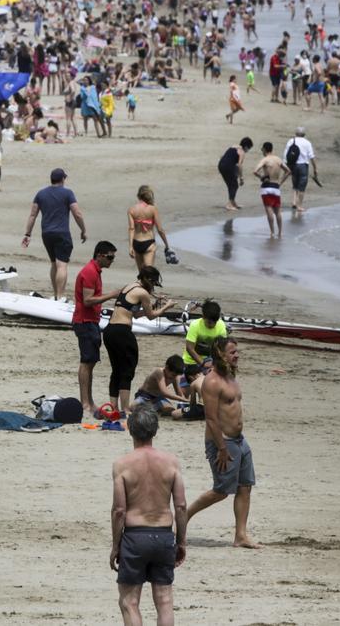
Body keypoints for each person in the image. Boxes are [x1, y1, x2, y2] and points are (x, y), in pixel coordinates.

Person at [110, 405, 187, 626]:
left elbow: (119, 511)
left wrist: (116, 545)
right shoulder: (171, 462)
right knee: (164, 600)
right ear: (155, 431)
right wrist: (180, 541)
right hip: (163, 535)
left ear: (130, 430)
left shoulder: (122, 465)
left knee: (129, 601)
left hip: (135, 536)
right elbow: (180, 506)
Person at [186, 338, 261, 548]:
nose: (236, 355)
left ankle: (241, 535)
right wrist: (220, 448)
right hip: (223, 443)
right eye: (232, 352)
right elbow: (211, 418)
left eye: (237, 351)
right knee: (220, 491)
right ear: (220, 354)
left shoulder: (231, 377)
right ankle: (185, 515)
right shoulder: (212, 382)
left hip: (240, 441)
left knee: (245, 487)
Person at [104, 267, 176, 413]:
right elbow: (151, 316)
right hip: (122, 332)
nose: (153, 287)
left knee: (116, 370)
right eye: (153, 283)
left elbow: (135, 314)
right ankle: (125, 409)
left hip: (109, 330)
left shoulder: (129, 287)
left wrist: (154, 305)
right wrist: (167, 306)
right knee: (128, 370)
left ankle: (114, 408)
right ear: (148, 280)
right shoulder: (143, 293)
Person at [22, 168, 87, 301]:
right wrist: (83, 230)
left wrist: (27, 234)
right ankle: (60, 296)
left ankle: (56, 294)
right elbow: (77, 213)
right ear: (62, 179)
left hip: (46, 233)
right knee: (61, 264)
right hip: (62, 233)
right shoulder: (68, 193)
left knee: (54, 263)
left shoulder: (41, 194)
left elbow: (33, 215)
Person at [73, 242, 121, 417]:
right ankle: (85, 402)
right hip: (84, 321)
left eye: (113, 257)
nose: (111, 260)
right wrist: (112, 294)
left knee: (91, 362)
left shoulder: (95, 271)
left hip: (91, 321)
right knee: (87, 362)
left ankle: (88, 401)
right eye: (110, 257)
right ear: (99, 255)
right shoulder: (90, 272)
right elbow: (87, 300)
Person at [127, 186, 171, 271]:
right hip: (149, 243)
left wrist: (130, 247)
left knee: (141, 274)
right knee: (149, 272)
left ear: (138, 195)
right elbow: (160, 229)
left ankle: (141, 284)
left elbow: (131, 229)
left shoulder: (131, 210)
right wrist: (166, 245)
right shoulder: (153, 209)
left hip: (136, 243)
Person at [182, 300, 226, 378]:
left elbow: (222, 349)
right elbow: (189, 348)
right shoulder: (195, 325)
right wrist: (202, 363)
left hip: (209, 360)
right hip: (190, 361)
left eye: (214, 322)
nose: (212, 325)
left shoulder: (221, 326)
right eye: (209, 322)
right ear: (203, 316)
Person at [252, 141, 287, 238]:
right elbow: (288, 171)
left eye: (262, 149)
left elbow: (255, 171)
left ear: (264, 149)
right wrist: (280, 182)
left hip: (266, 187)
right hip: (276, 187)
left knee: (269, 210)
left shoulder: (265, 160)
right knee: (278, 211)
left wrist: (261, 177)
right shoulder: (278, 160)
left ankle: (272, 232)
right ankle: (280, 232)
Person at [283, 127, 320, 213]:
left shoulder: (291, 141)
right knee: (302, 186)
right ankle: (299, 205)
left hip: (293, 165)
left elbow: (286, 153)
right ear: (304, 134)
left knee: (295, 184)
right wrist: (315, 168)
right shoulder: (307, 143)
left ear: (296, 133)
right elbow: (311, 156)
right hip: (303, 165)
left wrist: (285, 164)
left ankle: (294, 202)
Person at [217, 137, 253, 211]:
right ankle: (229, 204)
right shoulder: (242, 152)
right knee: (234, 185)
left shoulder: (233, 146)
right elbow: (239, 165)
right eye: (249, 148)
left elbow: (224, 156)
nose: (248, 150)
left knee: (231, 184)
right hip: (227, 166)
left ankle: (233, 202)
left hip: (221, 165)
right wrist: (241, 178)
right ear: (246, 146)